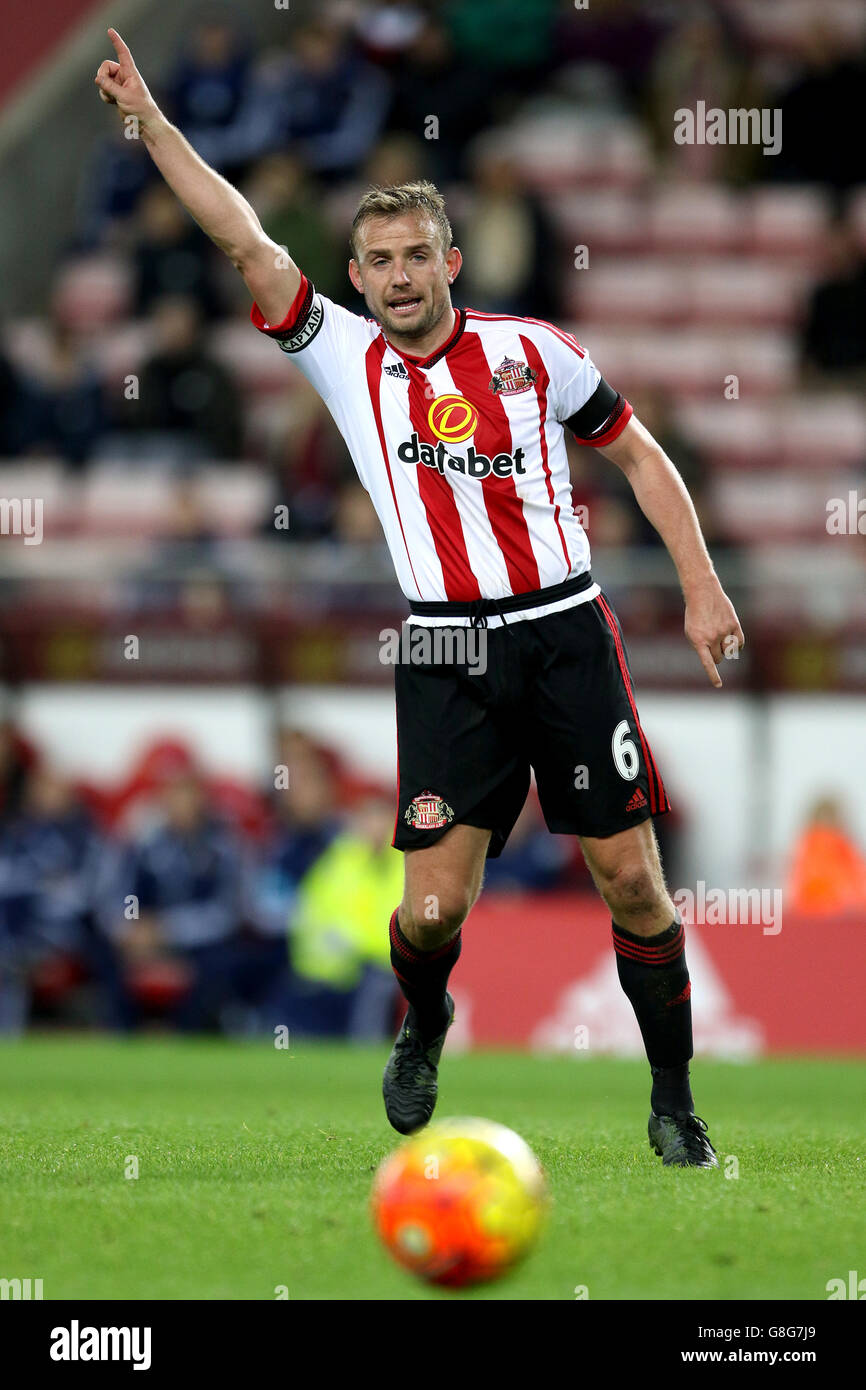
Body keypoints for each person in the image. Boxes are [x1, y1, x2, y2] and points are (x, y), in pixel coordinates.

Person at [95, 28, 745, 1166]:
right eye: (378, 258)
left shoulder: (533, 353)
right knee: (432, 913)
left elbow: (640, 455)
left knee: (630, 879)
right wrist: (153, 127)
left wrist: (698, 585)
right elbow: (239, 234)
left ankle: (674, 1100)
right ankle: (426, 1019)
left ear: (451, 262)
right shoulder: (342, 356)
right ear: (355, 276)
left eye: (415, 255)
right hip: (444, 650)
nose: (397, 275)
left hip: (561, 632)